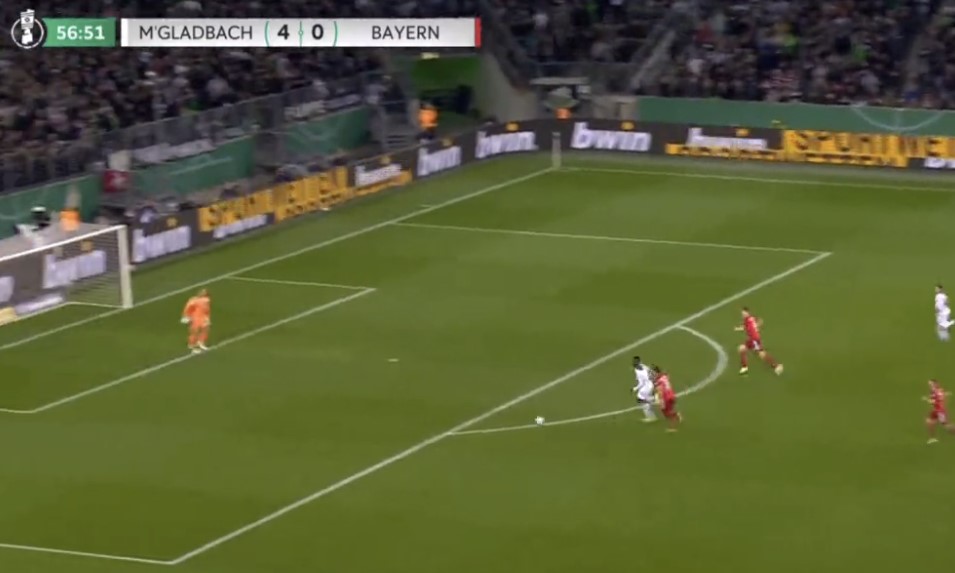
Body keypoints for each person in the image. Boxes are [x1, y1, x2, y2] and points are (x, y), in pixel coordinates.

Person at [735, 307, 783, 376]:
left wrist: (738, 328)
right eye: (742, 313)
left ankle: (777, 366)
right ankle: (744, 368)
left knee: (761, 354)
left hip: (754, 340)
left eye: (744, 313)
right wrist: (756, 327)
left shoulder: (747, 320)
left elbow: (745, 327)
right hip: (751, 339)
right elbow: (760, 320)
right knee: (741, 348)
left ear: (748, 313)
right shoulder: (751, 318)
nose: (743, 315)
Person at [182, 288, 212, 354]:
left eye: (205, 292)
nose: (204, 293)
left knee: (206, 329)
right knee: (195, 331)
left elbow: (207, 309)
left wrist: (207, 317)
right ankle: (192, 345)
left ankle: (201, 342)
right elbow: (188, 308)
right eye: (203, 292)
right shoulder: (194, 300)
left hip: (204, 317)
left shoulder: (207, 300)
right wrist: (186, 316)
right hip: (195, 318)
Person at [926, 379, 953, 444]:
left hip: (939, 411)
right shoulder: (940, 390)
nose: (930, 385)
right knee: (929, 422)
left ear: (935, 384)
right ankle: (933, 438)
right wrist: (947, 394)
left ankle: (933, 438)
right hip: (936, 411)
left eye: (931, 384)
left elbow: (932, 402)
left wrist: (927, 400)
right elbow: (942, 395)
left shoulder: (933, 392)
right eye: (929, 384)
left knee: (946, 426)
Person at [631, 356, 656, 422]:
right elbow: (653, 373)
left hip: (647, 387)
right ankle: (652, 402)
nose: (634, 363)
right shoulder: (643, 366)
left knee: (640, 399)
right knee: (646, 399)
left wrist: (634, 389)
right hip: (650, 385)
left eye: (635, 362)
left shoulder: (638, 371)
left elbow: (641, 383)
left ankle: (651, 418)